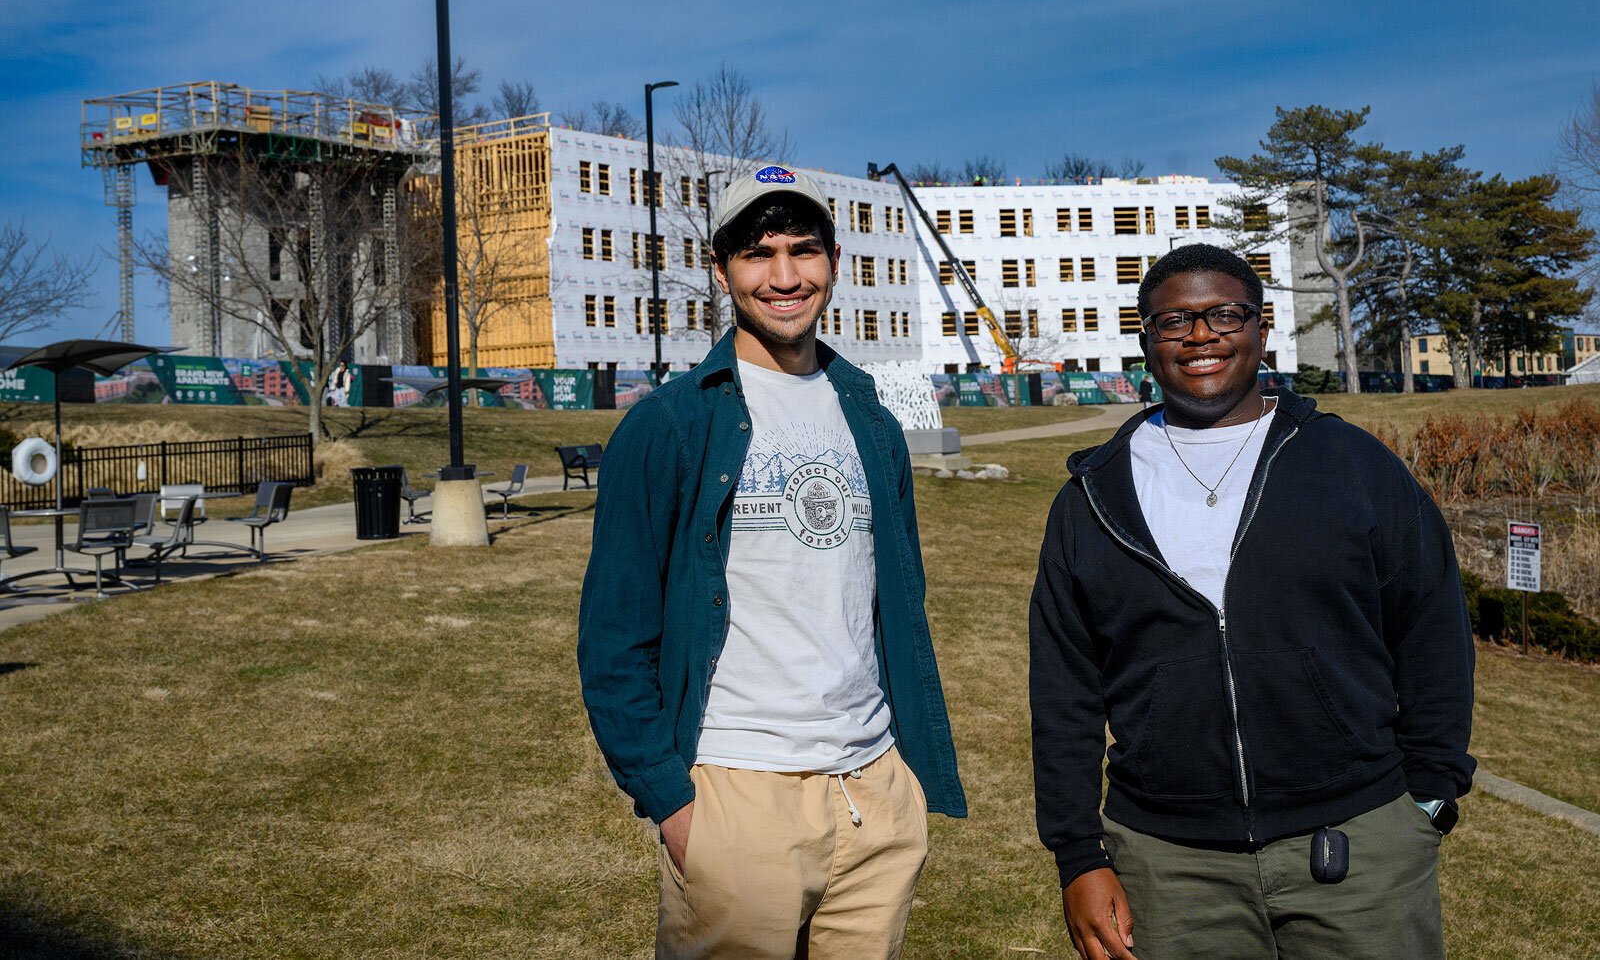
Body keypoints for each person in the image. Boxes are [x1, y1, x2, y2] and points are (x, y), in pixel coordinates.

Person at [1029, 243, 1474, 960]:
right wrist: (1079, 853)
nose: (1201, 336)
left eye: (1225, 315)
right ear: (1147, 339)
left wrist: (1430, 793)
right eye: (1175, 321)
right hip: (1167, 864)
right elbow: (1064, 692)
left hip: (1358, 845)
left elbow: (1433, 629)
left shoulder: (1351, 465)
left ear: (1261, 329)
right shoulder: (1092, 497)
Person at [578, 165, 966, 960]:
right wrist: (673, 803)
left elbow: (897, 601)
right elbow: (615, 636)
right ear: (721, 271)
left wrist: (903, 783)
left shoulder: (872, 419)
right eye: (758, 254)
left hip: (873, 791)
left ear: (834, 262)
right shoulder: (669, 426)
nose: (784, 277)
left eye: (803, 250)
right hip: (736, 793)